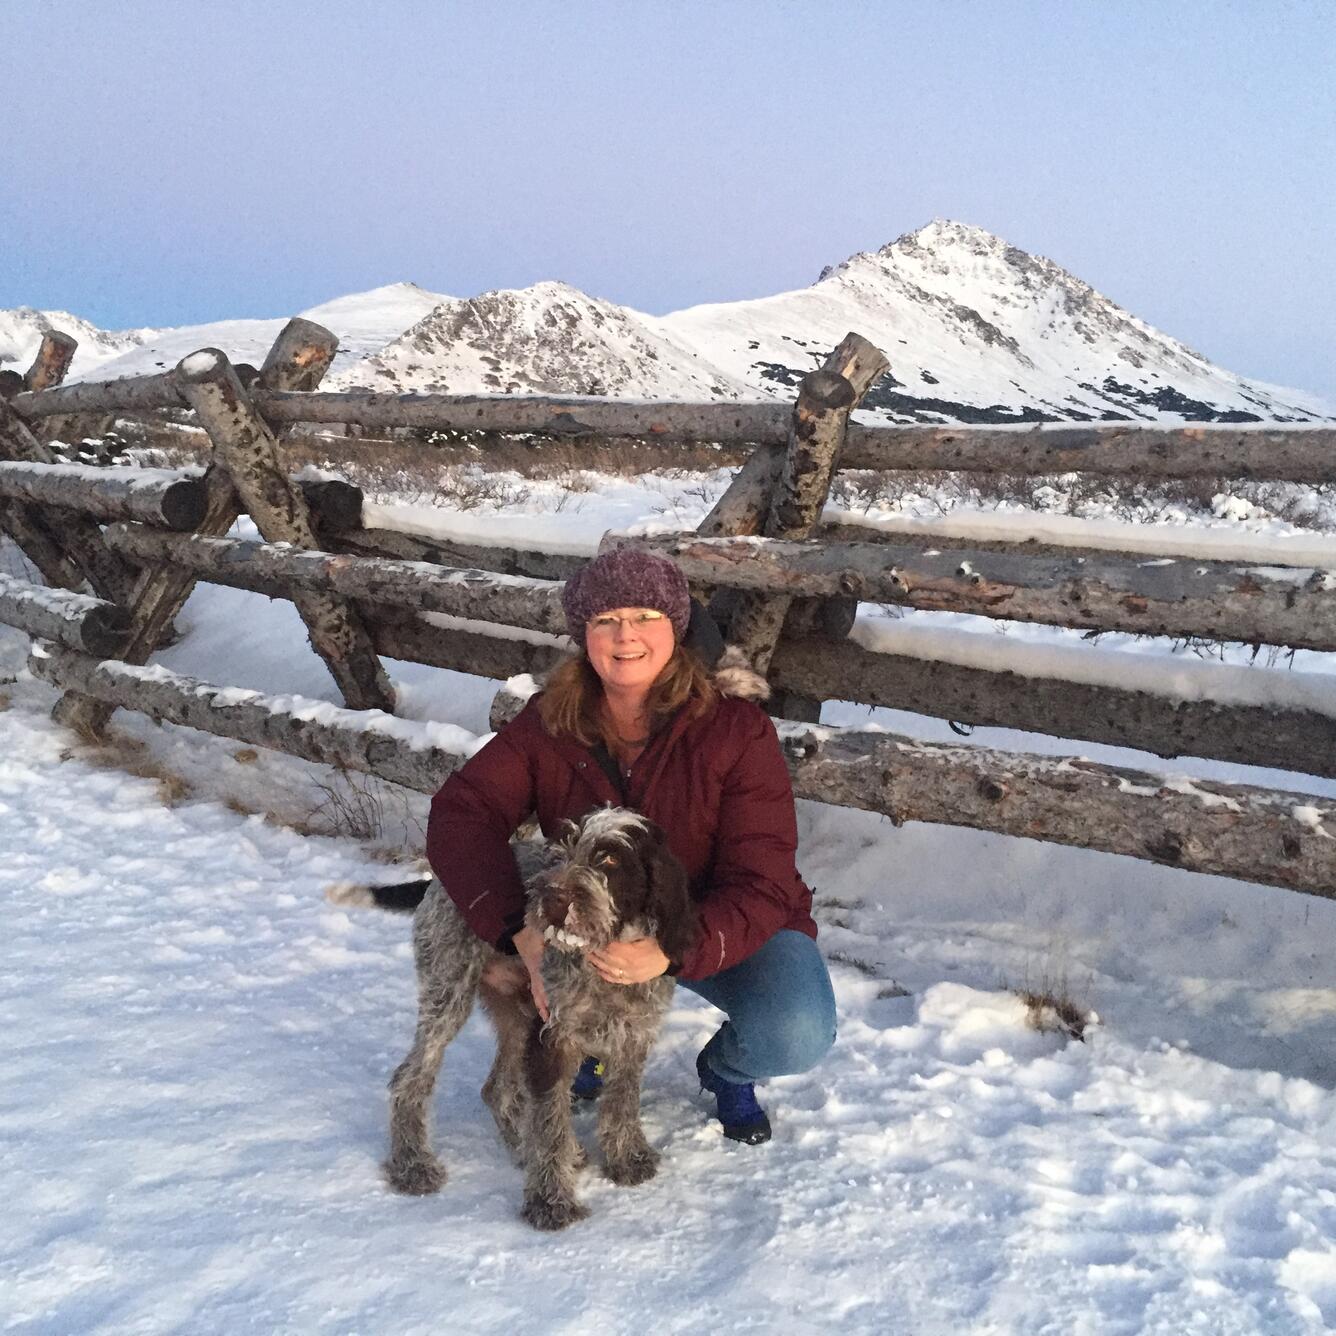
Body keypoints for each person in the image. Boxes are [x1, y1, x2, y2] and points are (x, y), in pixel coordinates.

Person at [426, 547, 836, 1144]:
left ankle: (726, 1070)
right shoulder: (551, 722)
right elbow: (464, 813)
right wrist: (516, 928)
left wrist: (672, 948)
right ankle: (589, 1044)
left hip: (715, 923)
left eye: (646, 616)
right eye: (604, 620)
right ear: (583, 634)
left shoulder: (734, 729)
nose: (626, 636)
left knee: (796, 1029)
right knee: (555, 978)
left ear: (677, 627)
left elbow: (765, 880)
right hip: (592, 927)